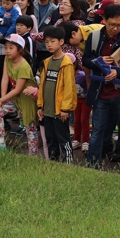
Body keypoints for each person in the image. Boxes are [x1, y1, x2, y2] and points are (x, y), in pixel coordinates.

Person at [83, 5, 120, 172]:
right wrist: (98, 61)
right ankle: (92, 165)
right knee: (98, 131)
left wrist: (118, 72)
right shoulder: (94, 37)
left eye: (119, 25)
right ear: (104, 21)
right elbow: (85, 60)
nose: (115, 28)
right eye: (112, 24)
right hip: (101, 93)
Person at [0, 33, 39, 153]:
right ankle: (0, 143)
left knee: (30, 127)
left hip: (27, 99)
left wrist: (1, 100)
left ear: (20, 49)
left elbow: (18, 89)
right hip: (15, 97)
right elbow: (5, 79)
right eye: (6, 47)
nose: (7, 51)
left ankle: (33, 155)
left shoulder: (24, 66)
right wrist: (2, 98)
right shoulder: (7, 59)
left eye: (11, 48)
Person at [37, 26, 77, 163]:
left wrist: (65, 109)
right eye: (46, 42)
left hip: (60, 111)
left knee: (63, 138)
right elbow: (42, 86)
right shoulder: (47, 62)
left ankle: (68, 163)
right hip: (47, 110)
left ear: (61, 42)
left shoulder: (66, 63)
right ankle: (53, 163)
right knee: (50, 139)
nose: (49, 45)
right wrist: (40, 106)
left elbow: (69, 88)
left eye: (52, 41)